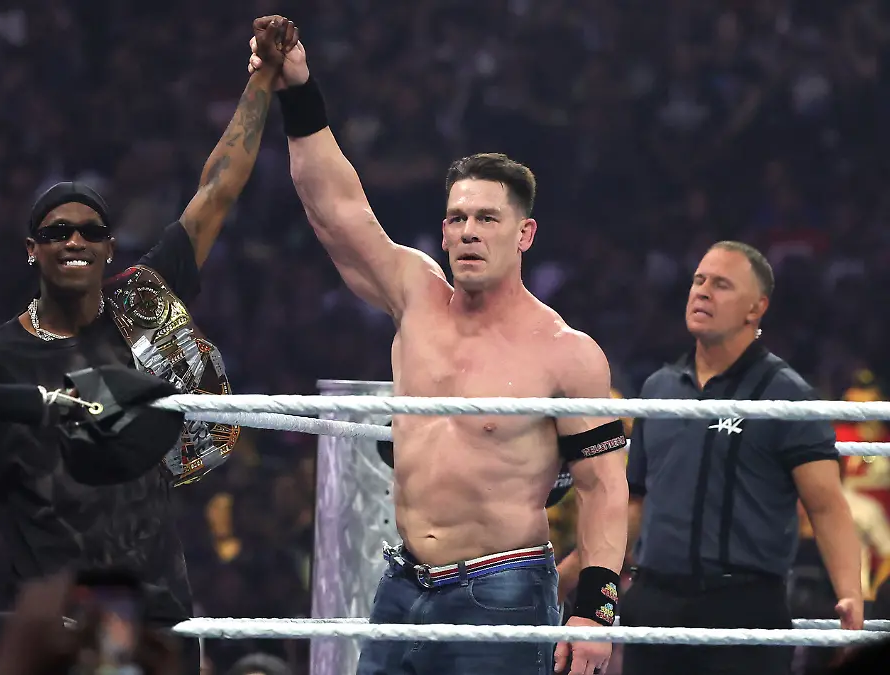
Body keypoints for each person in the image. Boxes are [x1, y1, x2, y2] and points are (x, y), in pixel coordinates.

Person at [0, 17, 300, 675]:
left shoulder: (139, 302)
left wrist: (263, 77)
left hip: (156, 609)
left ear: (109, 247)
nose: (75, 240)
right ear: (32, 250)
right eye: (56, 231)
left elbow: (217, 190)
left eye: (91, 231)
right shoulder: (1, 359)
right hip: (63, 621)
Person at [248, 24, 629, 675]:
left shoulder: (566, 354)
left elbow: (603, 489)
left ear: (525, 234)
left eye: (487, 219)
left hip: (503, 588)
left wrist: (596, 610)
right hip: (403, 583)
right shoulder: (416, 296)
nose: (469, 232)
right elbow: (335, 207)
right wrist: (298, 92)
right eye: (458, 218)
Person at [557, 241, 865, 675]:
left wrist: (850, 594)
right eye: (699, 280)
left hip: (744, 609)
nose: (702, 291)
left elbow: (827, 505)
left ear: (756, 308)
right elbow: (635, 505)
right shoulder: (659, 389)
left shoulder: (786, 395)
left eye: (721, 284)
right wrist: (574, 573)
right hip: (654, 604)